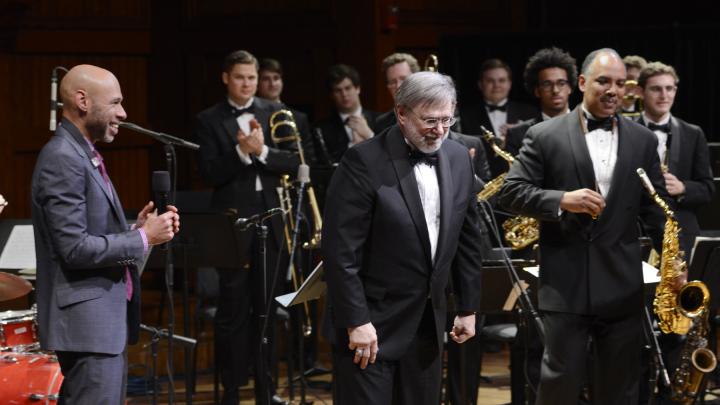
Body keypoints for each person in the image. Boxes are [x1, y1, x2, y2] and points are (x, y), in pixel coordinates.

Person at [498, 48, 668, 404]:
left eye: (621, 84)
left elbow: (655, 213)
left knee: (619, 389)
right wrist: (561, 199)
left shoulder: (643, 140)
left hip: (622, 285)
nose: (613, 90)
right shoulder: (545, 134)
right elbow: (510, 193)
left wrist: (675, 265)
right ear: (582, 83)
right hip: (565, 284)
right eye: (603, 81)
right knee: (559, 385)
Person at [322, 71, 483, 405]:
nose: (439, 131)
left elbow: (467, 239)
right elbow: (341, 252)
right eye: (429, 121)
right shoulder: (362, 161)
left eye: (446, 120)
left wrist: (468, 307)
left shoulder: (457, 157)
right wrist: (357, 321)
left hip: (427, 324)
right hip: (371, 326)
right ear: (401, 114)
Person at [31, 64, 180, 405]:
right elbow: (74, 248)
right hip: (88, 327)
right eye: (115, 103)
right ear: (82, 101)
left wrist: (136, 229)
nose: (123, 113)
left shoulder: (81, 152)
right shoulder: (62, 157)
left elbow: (87, 232)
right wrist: (144, 239)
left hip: (101, 326)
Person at [194, 49, 298, 405]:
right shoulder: (209, 119)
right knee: (233, 308)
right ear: (226, 78)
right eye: (240, 77)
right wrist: (241, 153)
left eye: (251, 78)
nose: (247, 83)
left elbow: (295, 162)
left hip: (271, 218)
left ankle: (266, 388)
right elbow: (208, 172)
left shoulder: (274, 113)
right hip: (232, 223)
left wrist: (263, 153)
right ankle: (231, 390)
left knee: (266, 308)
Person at [637, 61, 714, 256]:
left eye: (669, 88)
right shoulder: (625, 131)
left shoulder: (693, 133)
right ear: (640, 91)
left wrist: (683, 188)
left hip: (682, 236)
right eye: (656, 89)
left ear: (675, 90)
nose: (664, 95)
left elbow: (707, 189)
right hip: (637, 232)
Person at [460, 58, 537, 176]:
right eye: (490, 81)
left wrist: (516, 133)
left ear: (510, 84)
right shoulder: (465, 115)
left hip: (520, 178)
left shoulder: (529, 113)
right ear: (480, 85)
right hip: (481, 180)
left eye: (501, 80)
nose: (496, 85)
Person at [506, 47, 577, 156]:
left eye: (561, 83)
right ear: (537, 91)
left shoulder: (587, 127)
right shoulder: (518, 135)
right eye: (547, 84)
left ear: (570, 88)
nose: (555, 90)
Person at [315, 64, 380, 163]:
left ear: (357, 88)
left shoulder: (381, 119)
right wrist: (351, 147)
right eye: (338, 90)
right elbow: (326, 165)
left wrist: (369, 135)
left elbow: (390, 156)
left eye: (348, 88)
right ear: (332, 95)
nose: (344, 94)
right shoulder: (322, 129)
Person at [257, 57, 317, 164]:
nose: (272, 84)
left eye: (276, 78)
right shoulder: (252, 116)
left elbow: (308, 157)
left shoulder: (300, 118)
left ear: (282, 81)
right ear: (257, 83)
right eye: (266, 79)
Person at [375, 52, 421, 132]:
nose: (398, 86)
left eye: (403, 79)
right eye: (392, 82)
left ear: (417, 79)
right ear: (388, 87)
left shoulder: (437, 113)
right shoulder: (381, 123)